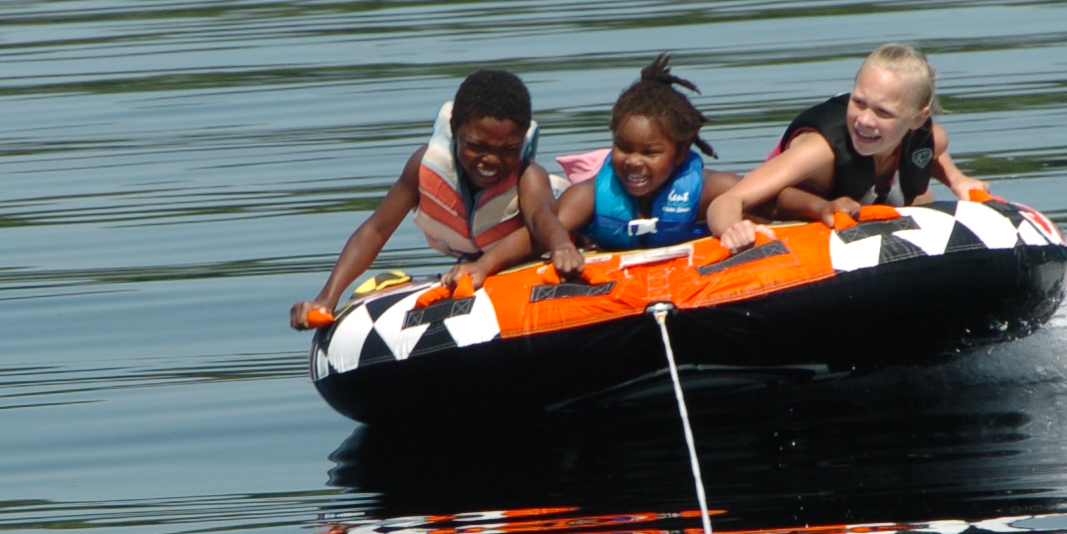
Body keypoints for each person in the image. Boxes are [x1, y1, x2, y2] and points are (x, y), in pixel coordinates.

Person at [289, 70, 580, 330]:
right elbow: (375, 231)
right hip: (476, 261)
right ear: (454, 130)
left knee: (559, 215)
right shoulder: (424, 165)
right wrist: (326, 299)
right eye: (477, 146)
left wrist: (562, 246)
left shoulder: (529, 176)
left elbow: (540, 218)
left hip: (549, 239)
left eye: (508, 149)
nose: (491, 159)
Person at [704, 44, 977, 253]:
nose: (865, 121)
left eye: (883, 112)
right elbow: (728, 200)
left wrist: (958, 180)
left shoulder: (932, 138)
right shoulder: (819, 151)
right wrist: (733, 229)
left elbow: (935, 153)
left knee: (922, 197)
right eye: (858, 102)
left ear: (918, 119)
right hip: (794, 211)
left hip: (864, 199)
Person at [546, 54, 741, 253]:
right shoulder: (587, 196)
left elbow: (761, 210)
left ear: (681, 153)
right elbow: (543, 233)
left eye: (649, 153)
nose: (634, 161)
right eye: (624, 148)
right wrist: (563, 247)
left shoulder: (713, 190)